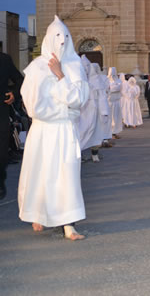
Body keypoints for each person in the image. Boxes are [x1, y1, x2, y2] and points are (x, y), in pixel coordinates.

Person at [18, 16, 89, 240]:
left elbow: (78, 99)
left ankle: (69, 223)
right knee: (40, 173)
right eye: (57, 37)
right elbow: (33, 104)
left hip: (64, 129)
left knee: (66, 175)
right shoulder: (36, 68)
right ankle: (37, 213)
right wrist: (61, 100)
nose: (61, 42)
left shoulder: (75, 65)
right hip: (42, 130)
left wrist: (60, 77)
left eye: (66, 37)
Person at [0, 52, 24, 200]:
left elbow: (20, 80)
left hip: (1, 113)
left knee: (2, 153)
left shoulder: (4, 59)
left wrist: (14, 94)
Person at [107, 67, 123, 139]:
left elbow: (118, 88)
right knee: (110, 118)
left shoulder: (119, 81)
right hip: (109, 102)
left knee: (116, 118)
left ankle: (115, 132)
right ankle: (109, 133)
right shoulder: (107, 81)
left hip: (116, 102)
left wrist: (111, 87)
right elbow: (107, 89)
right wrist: (112, 87)